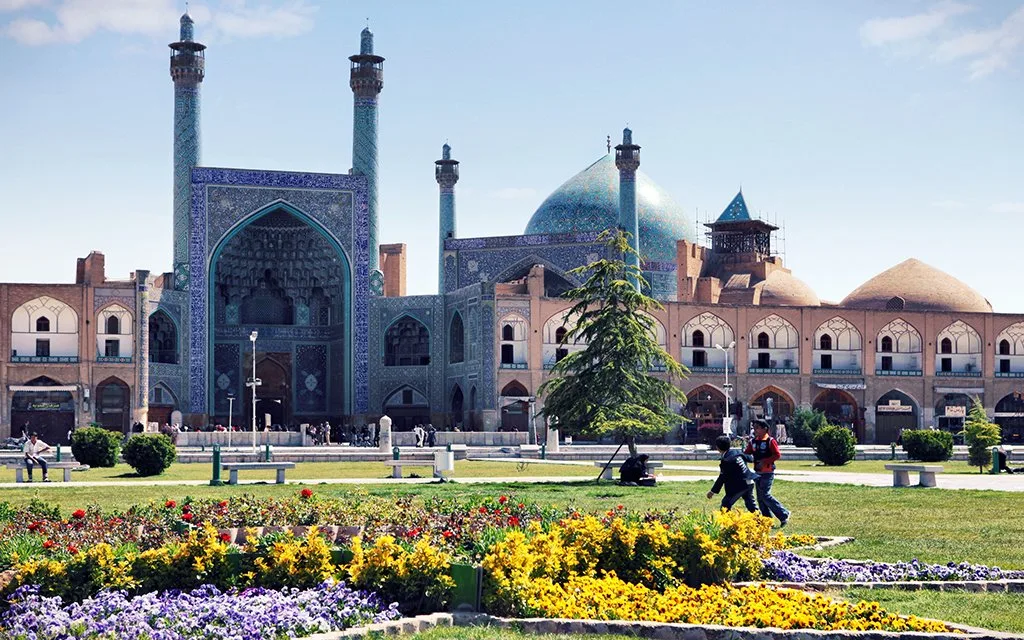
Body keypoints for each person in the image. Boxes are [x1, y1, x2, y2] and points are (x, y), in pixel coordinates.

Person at [745, 420, 790, 527]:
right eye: (754, 428)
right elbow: (747, 453)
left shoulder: (770, 441)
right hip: (757, 473)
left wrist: (765, 462)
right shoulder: (753, 442)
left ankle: (784, 514)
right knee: (760, 498)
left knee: (765, 495)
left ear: (765, 428)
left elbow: (777, 455)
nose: (755, 430)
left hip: (768, 472)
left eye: (757, 428)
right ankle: (767, 520)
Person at [706, 434, 757, 512]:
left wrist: (712, 492)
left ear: (717, 447)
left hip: (740, 485)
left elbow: (722, 477)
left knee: (725, 504)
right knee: (751, 505)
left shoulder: (726, 460)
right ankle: (761, 521)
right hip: (749, 481)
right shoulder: (737, 452)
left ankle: (725, 522)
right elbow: (750, 458)